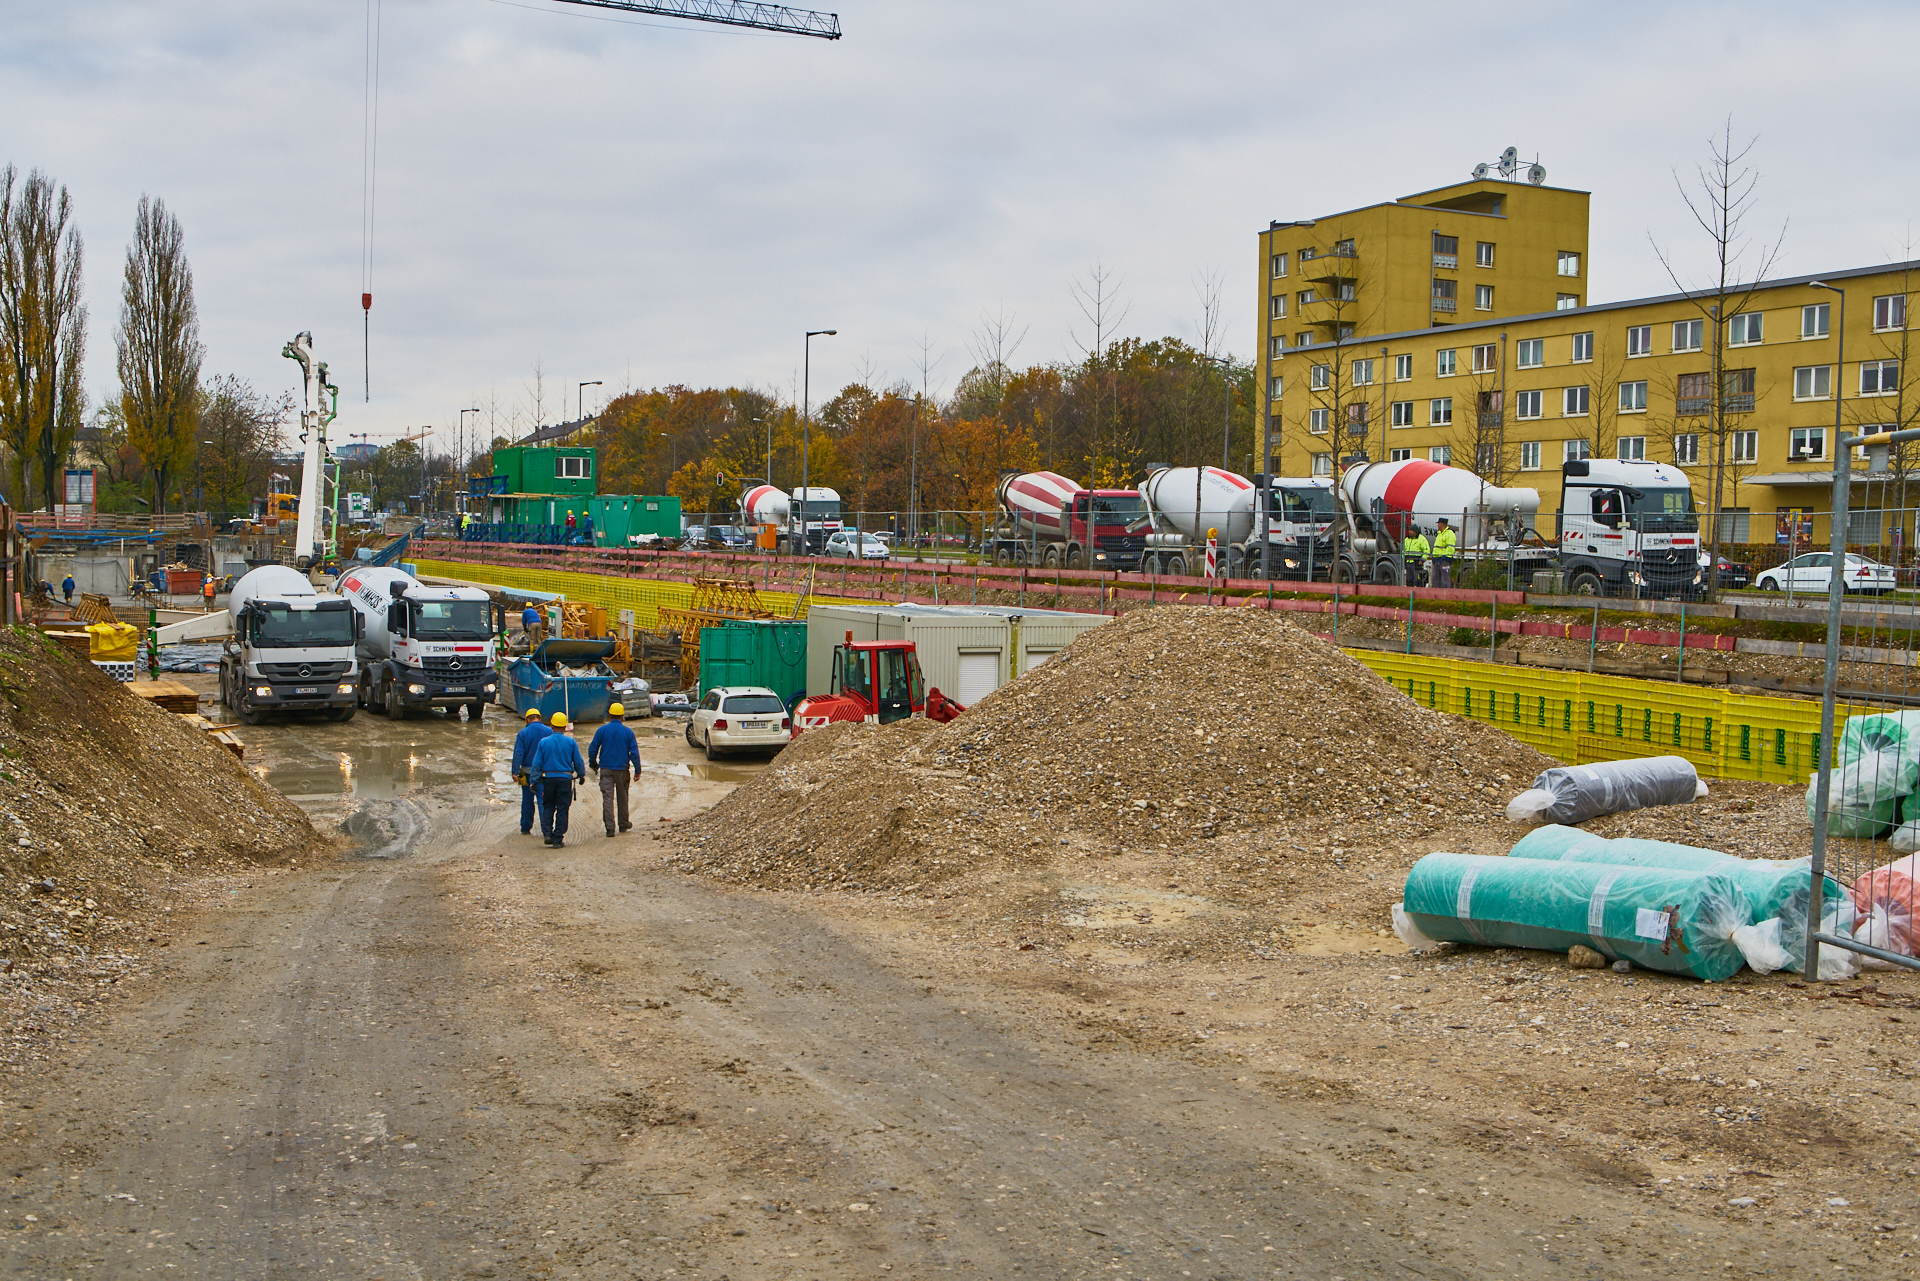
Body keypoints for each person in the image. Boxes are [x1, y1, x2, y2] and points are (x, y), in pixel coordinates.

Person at [529, 711, 586, 847]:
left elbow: (536, 764)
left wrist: (534, 781)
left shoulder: (543, 743)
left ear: (552, 725)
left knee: (548, 807)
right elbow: (578, 761)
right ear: (565, 727)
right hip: (565, 780)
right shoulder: (570, 742)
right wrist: (581, 775)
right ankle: (558, 838)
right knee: (562, 808)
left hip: (548, 780)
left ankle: (547, 834)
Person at [588, 702, 642, 837]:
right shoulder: (628, 732)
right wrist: (637, 770)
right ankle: (623, 824)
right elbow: (634, 753)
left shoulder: (602, 730)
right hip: (622, 770)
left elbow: (593, 748)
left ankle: (610, 828)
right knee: (623, 798)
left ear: (610, 715)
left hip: (606, 769)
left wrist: (593, 763)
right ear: (622, 716)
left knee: (607, 799)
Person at [510, 707, 552, 835]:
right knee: (543, 799)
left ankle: (525, 827)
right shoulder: (549, 731)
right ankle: (547, 829)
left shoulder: (523, 733)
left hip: (524, 772)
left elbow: (518, 753)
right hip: (542, 772)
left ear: (527, 719)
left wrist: (515, 771)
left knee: (526, 800)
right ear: (539, 718)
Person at [1431, 517, 1457, 590]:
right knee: (1435, 580)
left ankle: (1445, 596)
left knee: (1444, 580)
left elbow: (1450, 547)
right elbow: (1437, 547)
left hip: (1444, 560)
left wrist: (1445, 558)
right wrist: (1434, 556)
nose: (1437, 525)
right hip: (1437, 559)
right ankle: (1435, 595)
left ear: (1441, 524)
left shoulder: (1449, 534)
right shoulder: (1440, 534)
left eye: (1438, 524)